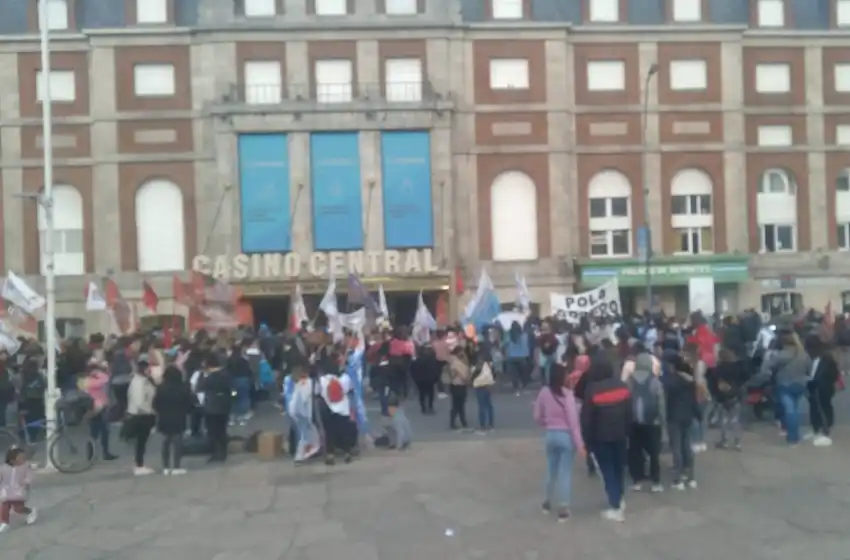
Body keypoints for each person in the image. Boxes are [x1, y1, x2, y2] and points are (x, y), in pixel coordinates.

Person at [580, 357, 631, 522]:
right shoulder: (622, 386)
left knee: (607, 470)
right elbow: (629, 413)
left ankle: (615, 505)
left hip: (601, 437)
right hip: (621, 434)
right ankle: (620, 498)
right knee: (619, 469)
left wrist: (586, 440)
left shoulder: (592, 390)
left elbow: (587, 419)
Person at [533, 363, 584, 522]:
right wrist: (580, 444)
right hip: (566, 436)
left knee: (551, 469)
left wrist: (546, 423)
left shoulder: (544, 392)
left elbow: (537, 416)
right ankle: (563, 508)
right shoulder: (567, 395)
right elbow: (573, 422)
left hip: (550, 435)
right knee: (565, 472)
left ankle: (546, 502)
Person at [760, 328, 811, 445]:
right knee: (795, 410)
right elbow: (809, 369)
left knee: (789, 411)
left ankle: (792, 437)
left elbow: (768, 367)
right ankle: (795, 435)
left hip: (784, 384)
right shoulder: (804, 354)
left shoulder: (779, 355)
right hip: (800, 384)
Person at [626, 349, 665, 493]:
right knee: (654, 453)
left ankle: (637, 480)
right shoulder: (655, 381)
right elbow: (660, 402)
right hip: (652, 422)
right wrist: (662, 419)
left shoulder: (630, 381)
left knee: (635, 451)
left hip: (634, 422)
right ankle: (655, 481)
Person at [663, 343, 699, 490]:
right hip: (687, 415)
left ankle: (678, 480)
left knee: (676, 447)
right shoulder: (689, 380)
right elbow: (693, 399)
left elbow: (666, 400)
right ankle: (690, 477)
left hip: (674, 417)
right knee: (687, 446)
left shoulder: (670, 382)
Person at [153, 366, 194, 475]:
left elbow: (155, 403)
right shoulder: (184, 387)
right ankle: (176, 466)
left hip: (164, 417)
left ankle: (165, 467)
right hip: (179, 416)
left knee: (166, 442)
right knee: (177, 442)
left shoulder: (161, 387)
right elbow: (189, 403)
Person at [317, 361, 356, 465]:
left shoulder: (322, 380)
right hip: (343, 409)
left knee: (330, 432)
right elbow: (350, 390)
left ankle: (330, 454)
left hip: (328, 409)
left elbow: (318, 392)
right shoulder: (345, 378)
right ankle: (347, 452)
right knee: (344, 431)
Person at [805, 335, 839, 447]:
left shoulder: (826, 358)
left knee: (823, 408)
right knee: (814, 408)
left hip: (824, 387)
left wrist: (823, 382)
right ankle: (816, 430)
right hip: (813, 385)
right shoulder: (812, 356)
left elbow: (834, 373)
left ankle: (825, 433)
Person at [711, 348, 748, 450]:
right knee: (735, 420)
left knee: (724, 419)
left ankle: (725, 441)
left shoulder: (718, 369)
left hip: (723, 397)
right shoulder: (739, 368)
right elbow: (744, 379)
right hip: (736, 395)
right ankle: (737, 442)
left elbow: (714, 384)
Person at [198, 353, 232, 463]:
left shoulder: (210, 377)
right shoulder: (226, 374)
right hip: (224, 406)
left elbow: (201, 387)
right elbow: (232, 390)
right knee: (222, 430)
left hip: (212, 407)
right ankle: (223, 452)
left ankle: (216, 453)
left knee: (213, 431)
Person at [82, 359, 118, 461]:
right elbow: (106, 379)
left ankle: (92, 454)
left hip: (96, 407)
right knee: (101, 431)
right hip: (98, 407)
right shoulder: (92, 380)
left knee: (96, 432)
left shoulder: (85, 380)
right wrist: (100, 373)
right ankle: (103, 453)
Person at [126, 359, 157, 476]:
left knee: (141, 441)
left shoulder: (141, 381)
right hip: (141, 416)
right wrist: (150, 411)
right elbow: (139, 402)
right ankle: (139, 465)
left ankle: (139, 463)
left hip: (140, 414)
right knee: (141, 441)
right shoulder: (140, 382)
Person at [0, 446, 37, 533]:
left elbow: (29, 476)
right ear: (12, 459)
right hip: (6, 491)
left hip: (19, 491)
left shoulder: (25, 466)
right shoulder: (3, 468)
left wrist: (25, 482)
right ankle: (4, 522)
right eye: (20, 458)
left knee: (18, 508)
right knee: (4, 505)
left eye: (24, 457)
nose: (23, 459)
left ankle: (30, 511)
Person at [227, 343, 254, 426]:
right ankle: (242, 419)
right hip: (244, 382)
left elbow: (228, 371)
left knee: (233, 398)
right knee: (244, 398)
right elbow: (249, 371)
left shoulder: (230, 360)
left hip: (233, 383)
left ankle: (232, 418)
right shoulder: (244, 360)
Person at [447, 346, 471, 431]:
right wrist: (458, 373)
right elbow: (452, 375)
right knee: (457, 405)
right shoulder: (455, 363)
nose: (463, 355)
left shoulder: (463, 362)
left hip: (460, 386)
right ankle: (455, 422)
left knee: (460, 405)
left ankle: (462, 421)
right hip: (457, 385)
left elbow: (468, 374)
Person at [504, 321, 530, 395]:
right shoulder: (524, 335)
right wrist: (527, 356)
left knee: (513, 375)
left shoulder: (508, 335)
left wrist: (506, 355)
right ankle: (523, 386)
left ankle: (516, 389)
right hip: (522, 357)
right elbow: (526, 347)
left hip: (511, 357)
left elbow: (505, 346)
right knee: (522, 373)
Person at [472, 358, 495, 433]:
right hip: (487, 385)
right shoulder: (488, 365)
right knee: (489, 405)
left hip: (479, 386)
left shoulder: (477, 366)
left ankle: (483, 425)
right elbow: (493, 375)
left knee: (481, 406)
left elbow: (472, 375)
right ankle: (491, 424)